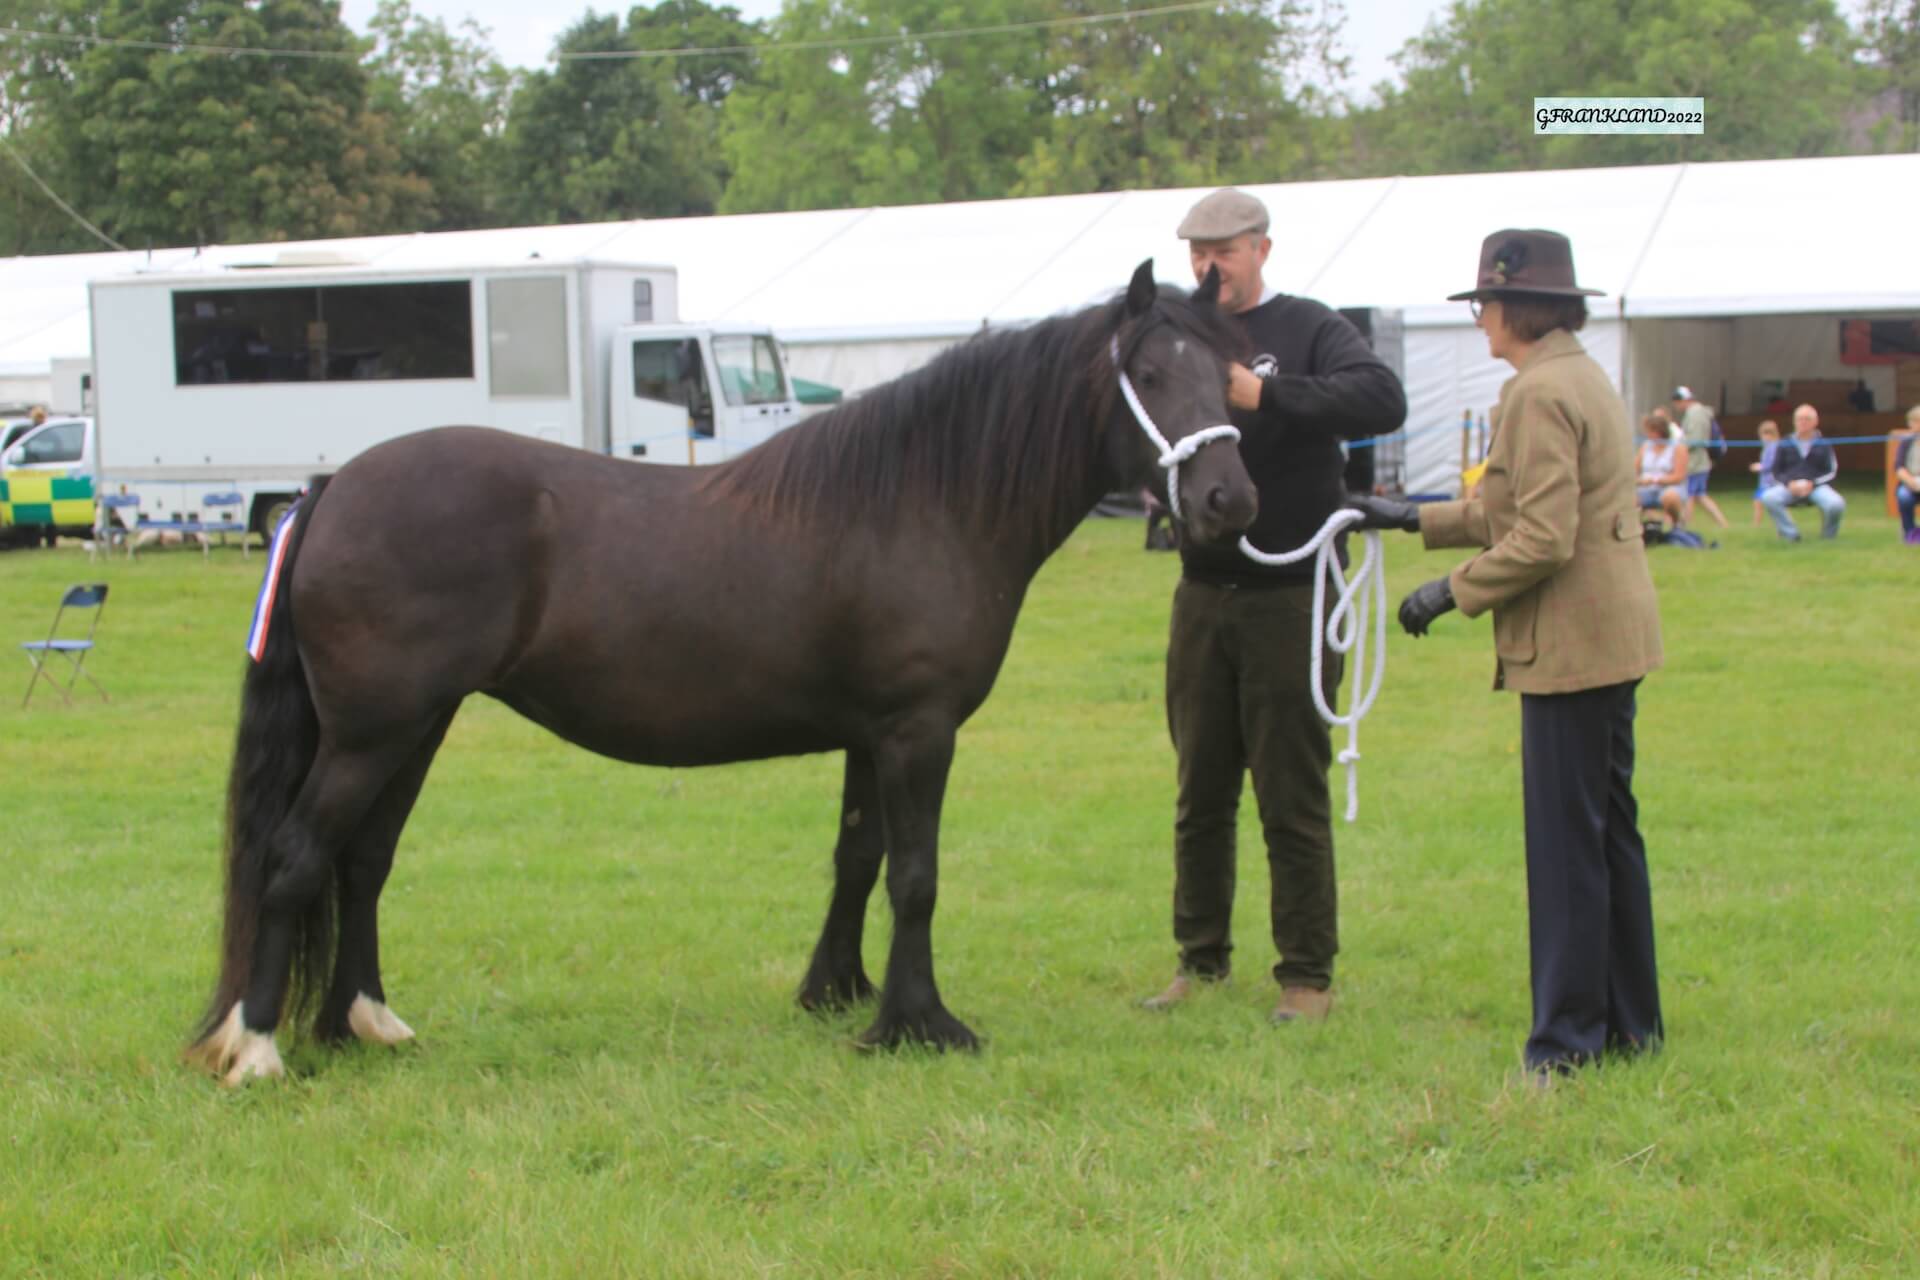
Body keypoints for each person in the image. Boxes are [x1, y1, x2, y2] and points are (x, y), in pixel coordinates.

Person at [1346, 228, 1664, 1082]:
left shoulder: (1537, 391)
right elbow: (1515, 506)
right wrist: (1412, 517)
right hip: (1611, 635)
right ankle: (1631, 1027)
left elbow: (1543, 536)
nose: (1480, 318)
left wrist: (1449, 591)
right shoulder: (1578, 374)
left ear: (1517, 307)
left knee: (1567, 850)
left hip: (1571, 643)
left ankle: (1565, 1047)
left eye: (1484, 303)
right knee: (1608, 835)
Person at [1142, 187, 1407, 1024]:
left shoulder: (1309, 327)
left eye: (1222, 249)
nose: (1207, 265)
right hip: (1202, 592)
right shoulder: (1179, 331)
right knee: (1200, 792)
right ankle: (1199, 962)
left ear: (1261, 248)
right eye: (1196, 252)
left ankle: (1306, 976)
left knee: (1290, 794)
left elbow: (1382, 399)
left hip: (1293, 592)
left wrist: (1271, 397)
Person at [1758, 404, 1845, 541]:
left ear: (1815, 422)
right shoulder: (1784, 442)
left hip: (1816, 487)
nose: (1803, 422)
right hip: (1790, 487)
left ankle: (1828, 536)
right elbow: (1775, 470)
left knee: (1836, 504)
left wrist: (1813, 484)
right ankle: (1791, 534)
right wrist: (1789, 483)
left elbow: (1831, 471)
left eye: (1807, 419)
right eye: (1799, 419)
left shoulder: (1824, 444)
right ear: (1794, 421)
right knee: (1769, 497)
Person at [1668, 386, 1727, 528]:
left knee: (1688, 495)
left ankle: (1684, 526)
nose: (1676, 406)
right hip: (1700, 462)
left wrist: (1679, 446)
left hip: (1694, 462)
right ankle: (1723, 524)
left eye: (1677, 402)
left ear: (1684, 400)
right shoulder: (1696, 413)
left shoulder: (1695, 414)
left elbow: (1696, 439)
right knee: (1700, 495)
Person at [1635, 411, 1688, 528]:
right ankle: (1637, 529)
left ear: (1659, 431)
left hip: (1671, 487)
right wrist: (1639, 481)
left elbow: (1679, 477)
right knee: (1628, 498)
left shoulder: (1678, 448)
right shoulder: (1645, 446)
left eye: (1650, 431)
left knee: (1669, 497)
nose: (1647, 434)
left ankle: (1678, 523)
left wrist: (1656, 480)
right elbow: (1633, 471)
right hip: (1646, 488)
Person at [1895, 405, 1920, 546]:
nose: (1910, 425)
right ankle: (1910, 532)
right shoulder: (1906, 442)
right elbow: (1899, 467)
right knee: (1904, 496)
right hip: (1911, 483)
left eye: (1914, 422)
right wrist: (1911, 482)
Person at [1749, 419, 1781, 526]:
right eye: (1763, 434)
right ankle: (1756, 525)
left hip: (1771, 482)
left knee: (1768, 504)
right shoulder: (1767, 447)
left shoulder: (1774, 447)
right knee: (1758, 502)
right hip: (1764, 482)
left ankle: (1779, 523)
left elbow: (1772, 464)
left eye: (1767, 434)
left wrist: (1760, 467)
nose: (1764, 437)